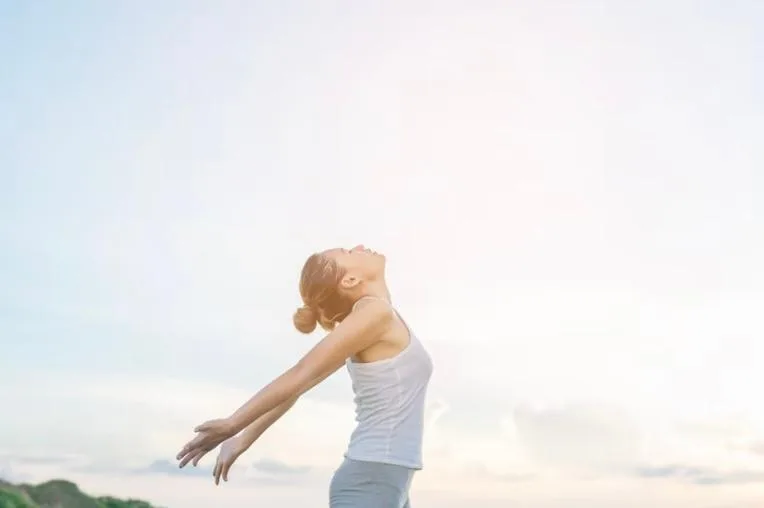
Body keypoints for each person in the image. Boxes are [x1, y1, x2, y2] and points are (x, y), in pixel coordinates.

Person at [176, 244, 433, 507]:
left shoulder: (376, 318)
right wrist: (233, 425)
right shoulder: (375, 313)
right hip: (371, 478)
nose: (358, 247)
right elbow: (302, 373)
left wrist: (244, 437)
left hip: (391, 480)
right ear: (350, 280)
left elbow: (300, 385)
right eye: (348, 252)